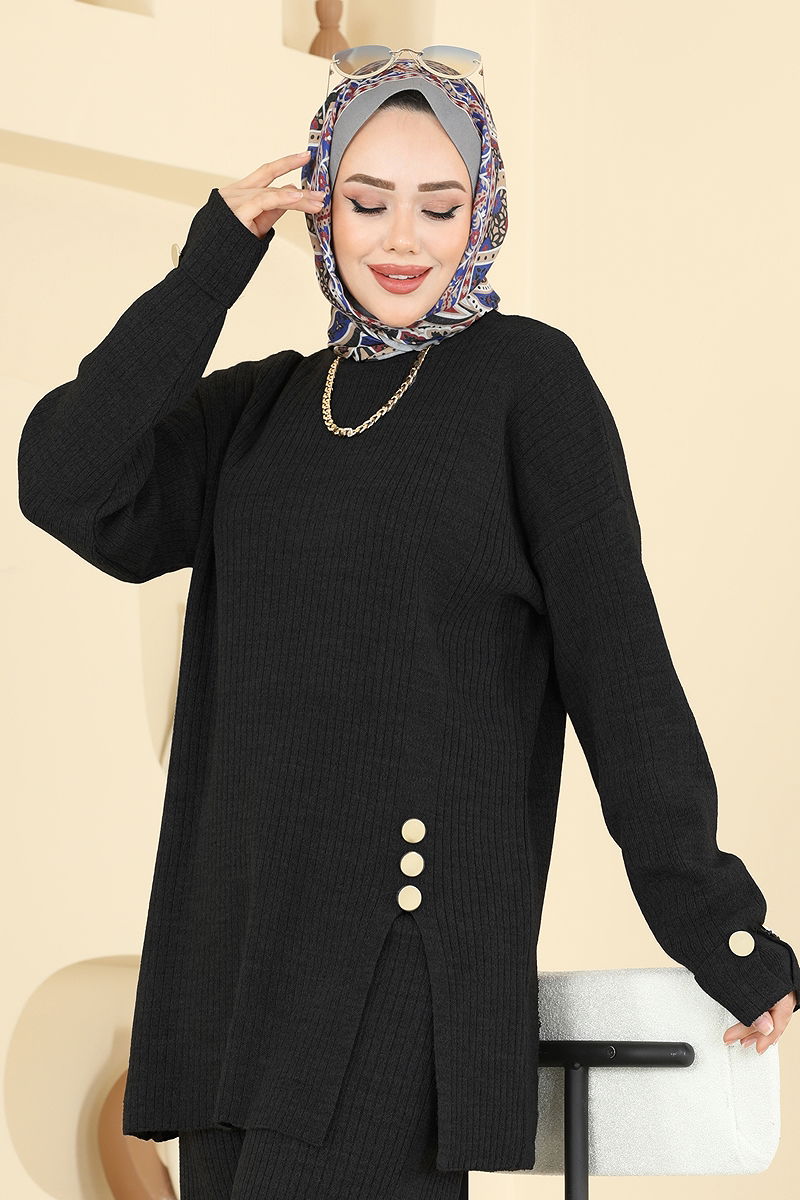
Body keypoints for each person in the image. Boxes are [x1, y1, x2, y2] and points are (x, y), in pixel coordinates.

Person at [16, 48, 798, 1200]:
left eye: (438, 207)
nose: (400, 240)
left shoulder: (526, 383)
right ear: (317, 207)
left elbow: (619, 666)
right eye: (365, 201)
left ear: (481, 211)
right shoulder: (261, 408)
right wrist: (210, 265)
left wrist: (717, 925)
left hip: (397, 956)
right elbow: (64, 480)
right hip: (233, 959)